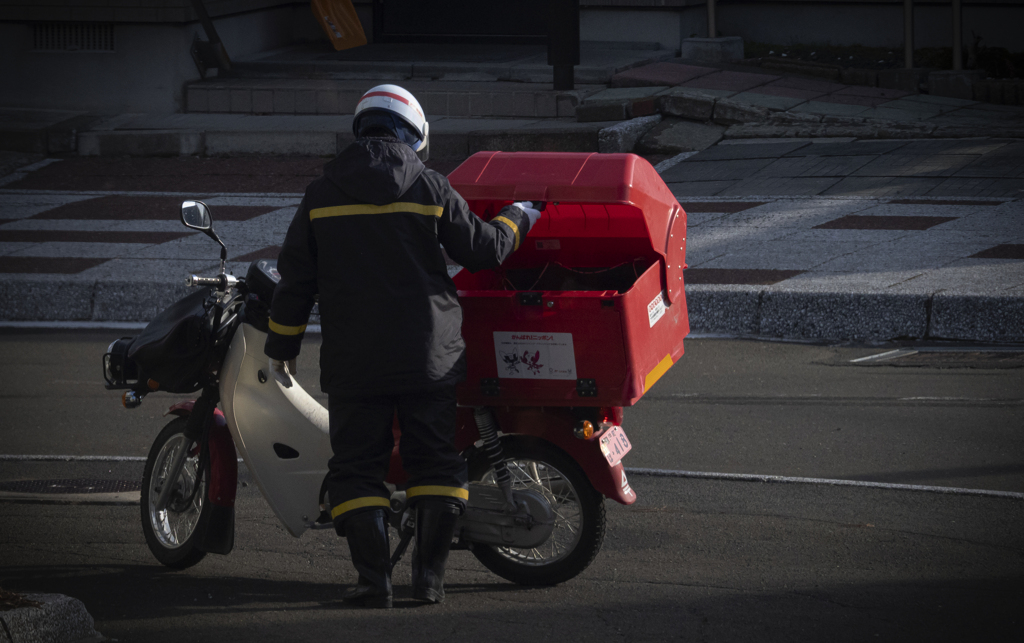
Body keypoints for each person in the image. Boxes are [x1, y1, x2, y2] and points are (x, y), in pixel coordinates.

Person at [263, 84, 541, 609]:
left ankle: (374, 583)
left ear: (360, 129)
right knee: (435, 464)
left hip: (355, 362)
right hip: (428, 358)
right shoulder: (430, 187)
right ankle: (430, 583)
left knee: (356, 469)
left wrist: (283, 345)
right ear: (415, 136)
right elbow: (484, 250)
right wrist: (520, 215)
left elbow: (295, 281)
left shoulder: (321, 195)